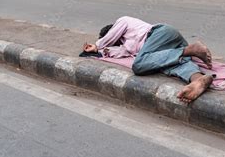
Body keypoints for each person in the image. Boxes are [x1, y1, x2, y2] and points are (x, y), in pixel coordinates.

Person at [83, 16, 214, 103]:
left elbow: (109, 38)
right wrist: (100, 51)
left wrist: (97, 45)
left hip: (161, 33)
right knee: (169, 62)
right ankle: (198, 80)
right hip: (166, 47)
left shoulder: (123, 21)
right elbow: (117, 52)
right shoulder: (126, 45)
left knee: (138, 65)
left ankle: (190, 50)